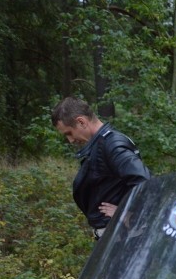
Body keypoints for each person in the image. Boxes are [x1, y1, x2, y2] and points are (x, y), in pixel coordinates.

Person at [51, 97, 151, 239]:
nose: (70, 140)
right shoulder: (102, 144)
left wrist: (126, 213)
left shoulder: (111, 145)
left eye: (69, 133)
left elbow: (146, 183)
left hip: (121, 234)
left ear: (81, 122)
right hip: (115, 234)